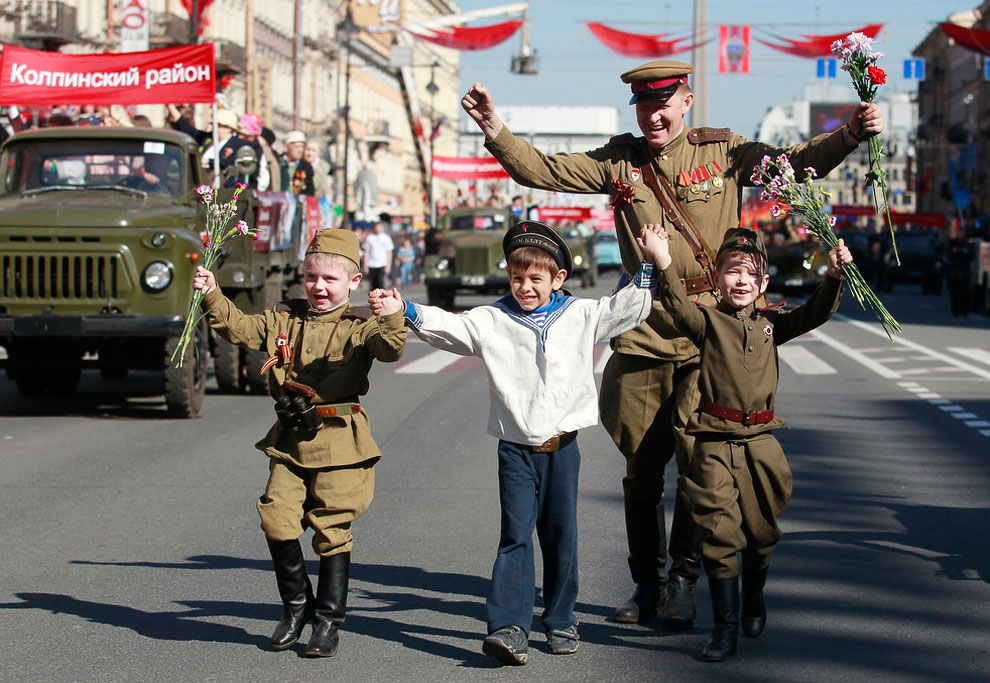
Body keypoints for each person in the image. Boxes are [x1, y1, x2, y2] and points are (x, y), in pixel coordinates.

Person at [461, 60, 884, 629]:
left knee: (697, 465)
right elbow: (544, 170)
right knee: (641, 470)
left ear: (686, 101)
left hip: (706, 333)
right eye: (642, 106)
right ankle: (646, 584)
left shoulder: (722, 151)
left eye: (663, 103)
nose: (653, 115)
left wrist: (850, 134)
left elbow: (792, 166)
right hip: (642, 333)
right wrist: (496, 129)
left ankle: (682, 583)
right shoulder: (620, 161)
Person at [369, 221, 667, 666]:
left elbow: (625, 309)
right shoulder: (493, 319)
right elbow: (449, 326)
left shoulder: (580, 315)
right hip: (514, 450)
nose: (525, 287)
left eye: (535, 279)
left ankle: (562, 618)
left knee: (561, 536)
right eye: (516, 277)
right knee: (515, 535)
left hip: (562, 448)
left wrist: (649, 263)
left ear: (558, 279)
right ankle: (509, 626)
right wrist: (406, 307)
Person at [190, 228, 407, 658]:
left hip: (339, 441)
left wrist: (392, 315)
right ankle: (295, 608)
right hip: (291, 439)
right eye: (312, 277)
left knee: (332, 527)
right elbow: (240, 329)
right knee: (277, 519)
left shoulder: (359, 325)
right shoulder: (285, 319)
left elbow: (389, 349)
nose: (319, 287)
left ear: (353, 282)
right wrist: (212, 293)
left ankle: (327, 621)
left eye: (329, 279)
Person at [649, 225, 851, 661]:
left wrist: (833, 276)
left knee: (762, 535)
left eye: (750, 274)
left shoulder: (772, 324)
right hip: (714, 442)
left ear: (763, 284)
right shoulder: (708, 320)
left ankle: (754, 597)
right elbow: (680, 309)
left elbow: (813, 313)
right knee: (719, 535)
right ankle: (725, 629)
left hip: (761, 442)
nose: (740, 280)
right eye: (731, 271)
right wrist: (663, 261)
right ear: (717, 278)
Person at [167, 104, 251, 187]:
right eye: (214, 125)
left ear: (229, 128)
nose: (215, 128)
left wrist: (209, 161)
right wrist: (171, 107)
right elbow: (186, 127)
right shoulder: (208, 138)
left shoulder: (239, 145)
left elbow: (231, 163)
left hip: (225, 190)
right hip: (202, 186)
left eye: (219, 126)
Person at [362, 220, 393, 290]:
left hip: (382, 263)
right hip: (371, 264)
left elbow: (389, 252)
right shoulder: (370, 238)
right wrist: (365, 265)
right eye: (377, 227)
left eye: (380, 227)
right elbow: (366, 252)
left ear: (383, 228)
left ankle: (381, 299)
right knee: (373, 284)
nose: (378, 229)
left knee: (380, 283)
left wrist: (388, 265)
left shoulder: (386, 238)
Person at [283, 130, 315, 196]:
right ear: (286, 147)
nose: (300, 150)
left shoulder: (306, 167)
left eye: (302, 147)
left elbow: (310, 192)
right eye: (296, 147)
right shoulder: (277, 162)